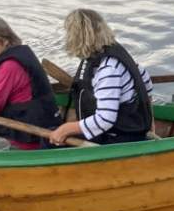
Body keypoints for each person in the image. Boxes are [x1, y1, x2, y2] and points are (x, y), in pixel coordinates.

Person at [47, 8, 154, 146]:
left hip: (118, 138)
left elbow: (105, 119)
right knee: (53, 131)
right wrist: (150, 124)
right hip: (126, 130)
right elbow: (147, 87)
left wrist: (66, 129)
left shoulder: (108, 70)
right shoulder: (115, 56)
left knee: (48, 142)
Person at [0, 16, 59, 150]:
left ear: (5, 40)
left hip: (28, 139)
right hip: (27, 131)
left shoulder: (9, 66)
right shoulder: (8, 58)